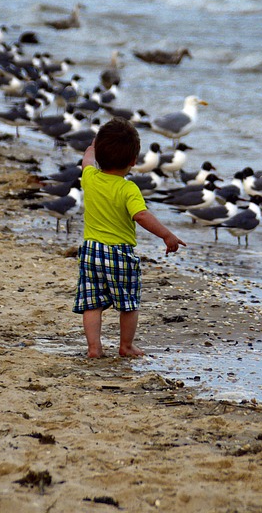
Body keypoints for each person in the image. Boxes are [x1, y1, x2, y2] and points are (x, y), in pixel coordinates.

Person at [73, 117, 186, 358]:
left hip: (91, 252)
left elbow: (87, 160)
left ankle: (94, 348)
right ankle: (125, 346)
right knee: (128, 303)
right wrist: (167, 235)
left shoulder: (90, 178)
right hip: (119, 254)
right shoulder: (128, 189)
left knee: (92, 303)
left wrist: (93, 147)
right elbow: (142, 216)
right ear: (134, 161)